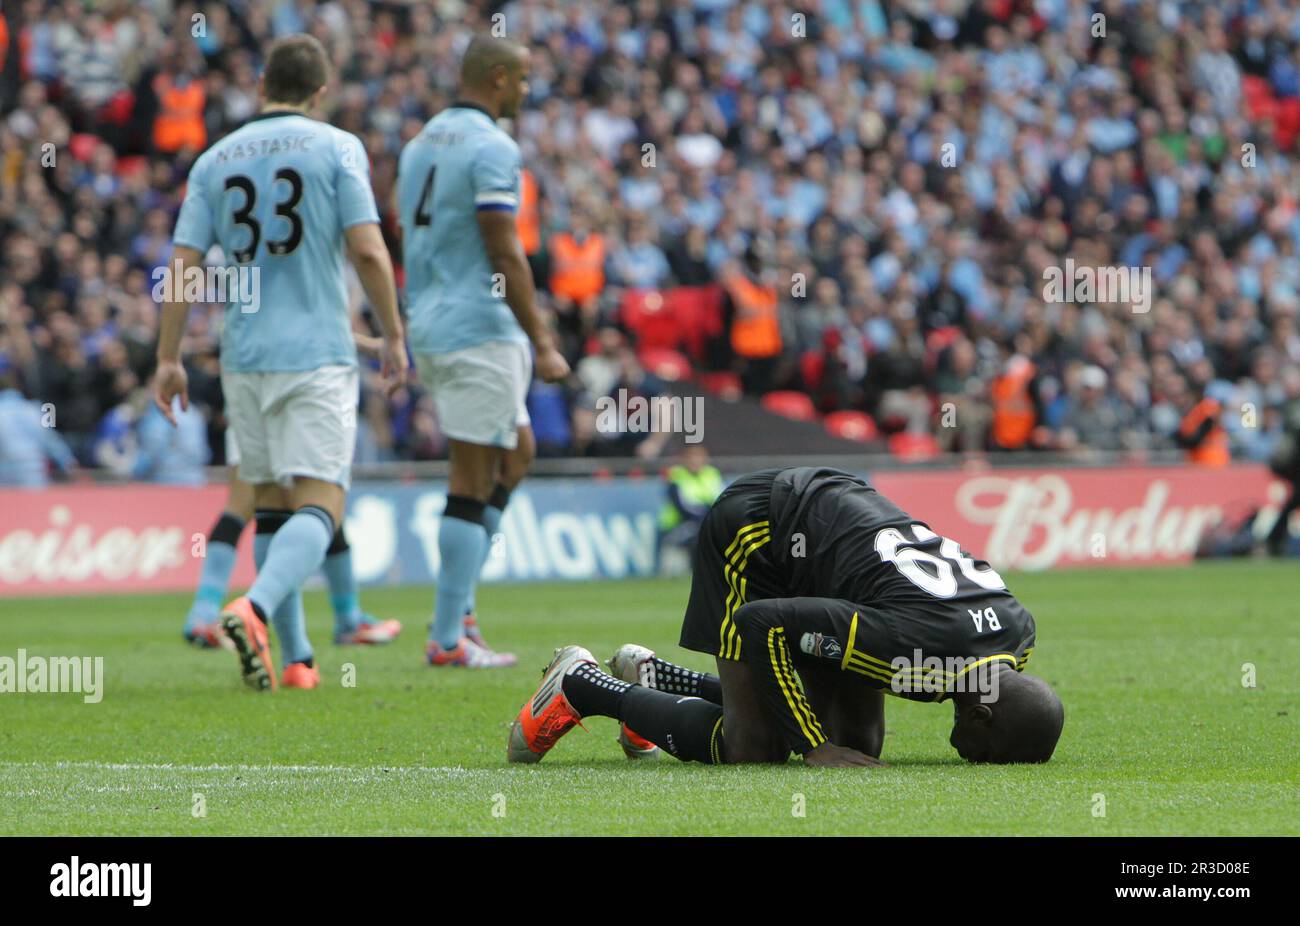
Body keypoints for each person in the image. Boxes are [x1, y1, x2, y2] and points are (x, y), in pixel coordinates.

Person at [153, 34, 408, 692]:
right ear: (321, 92)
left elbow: (182, 266)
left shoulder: (214, 160)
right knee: (322, 501)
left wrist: (169, 357)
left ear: (262, 82)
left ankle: (295, 660)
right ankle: (255, 607)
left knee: (269, 504)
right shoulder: (337, 147)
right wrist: (394, 333)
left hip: (244, 355)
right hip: (317, 353)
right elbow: (370, 252)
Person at [508, 467, 1064, 767]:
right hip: (763, 529)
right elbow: (762, 621)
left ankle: (658, 679)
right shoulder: (911, 644)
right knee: (755, 747)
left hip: (837, 537)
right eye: (984, 756)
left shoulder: (1019, 635)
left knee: (861, 745)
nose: (964, 757)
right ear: (985, 716)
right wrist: (811, 745)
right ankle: (585, 685)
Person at [397, 35, 569, 669]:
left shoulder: (420, 145)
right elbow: (503, 250)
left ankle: (458, 610)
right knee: (471, 475)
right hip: (477, 324)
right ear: (498, 77)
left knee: (516, 453)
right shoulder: (493, 147)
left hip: (435, 317)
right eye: (522, 79)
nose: (526, 91)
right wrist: (544, 341)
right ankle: (447, 637)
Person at [0, 363, 77, 487]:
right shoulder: (34, 409)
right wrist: (69, 463)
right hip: (34, 477)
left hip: (4, 481)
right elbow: (52, 441)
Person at [657, 444, 723, 564]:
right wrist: (706, 513)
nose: (695, 461)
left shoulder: (712, 474)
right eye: (691, 457)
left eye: (699, 456)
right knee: (698, 533)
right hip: (676, 525)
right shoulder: (675, 476)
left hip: (703, 522)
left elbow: (720, 501)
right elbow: (683, 508)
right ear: (684, 459)